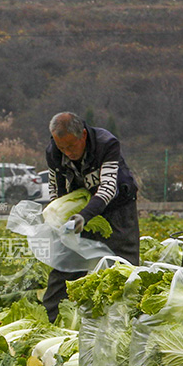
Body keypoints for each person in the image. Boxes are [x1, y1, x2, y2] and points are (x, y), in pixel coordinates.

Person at [42, 111, 140, 322]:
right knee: (65, 265)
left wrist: (82, 217)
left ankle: (126, 321)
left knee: (121, 266)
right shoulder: (53, 152)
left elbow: (107, 189)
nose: (67, 152)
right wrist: (61, 218)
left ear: (83, 135)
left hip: (117, 210)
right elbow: (55, 188)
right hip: (80, 212)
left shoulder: (106, 144)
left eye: (71, 146)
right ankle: (51, 320)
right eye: (62, 148)